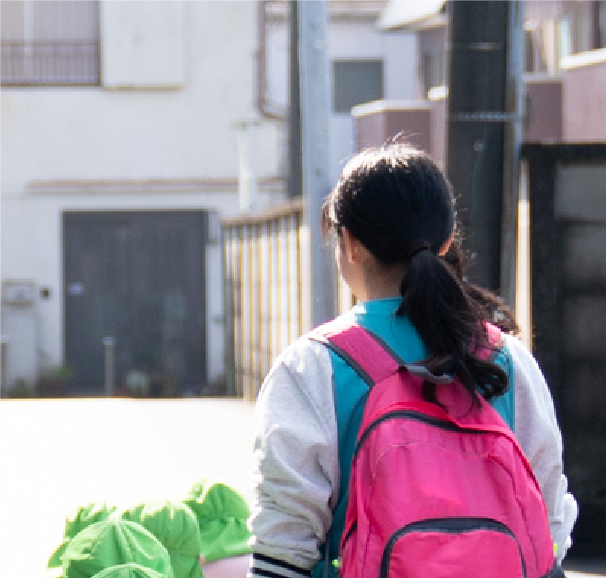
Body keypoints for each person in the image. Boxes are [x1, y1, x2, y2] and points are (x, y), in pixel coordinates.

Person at [246, 144, 578, 578]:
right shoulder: (507, 360)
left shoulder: (314, 367)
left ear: (349, 243)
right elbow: (549, 522)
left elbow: (283, 544)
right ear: (446, 240)